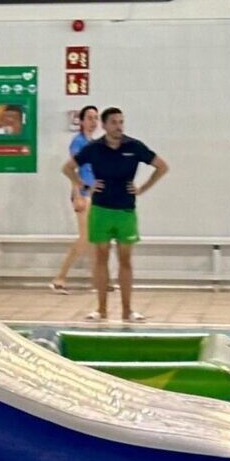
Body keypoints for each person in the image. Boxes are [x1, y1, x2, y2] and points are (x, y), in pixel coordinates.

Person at [63, 107, 169, 322]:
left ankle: (127, 310)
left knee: (125, 260)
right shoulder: (94, 148)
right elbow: (67, 168)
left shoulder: (133, 146)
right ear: (104, 125)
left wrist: (142, 188)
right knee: (101, 258)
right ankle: (101, 309)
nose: (119, 126)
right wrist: (84, 185)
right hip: (101, 209)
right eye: (114, 122)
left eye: (121, 122)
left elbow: (161, 166)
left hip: (125, 210)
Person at [50, 105, 99, 294]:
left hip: (94, 193)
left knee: (95, 238)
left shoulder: (94, 143)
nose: (93, 122)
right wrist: (78, 194)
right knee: (85, 237)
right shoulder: (78, 142)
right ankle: (59, 278)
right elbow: (72, 170)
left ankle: (97, 281)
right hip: (82, 193)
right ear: (82, 121)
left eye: (96, 118)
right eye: (90, 118)